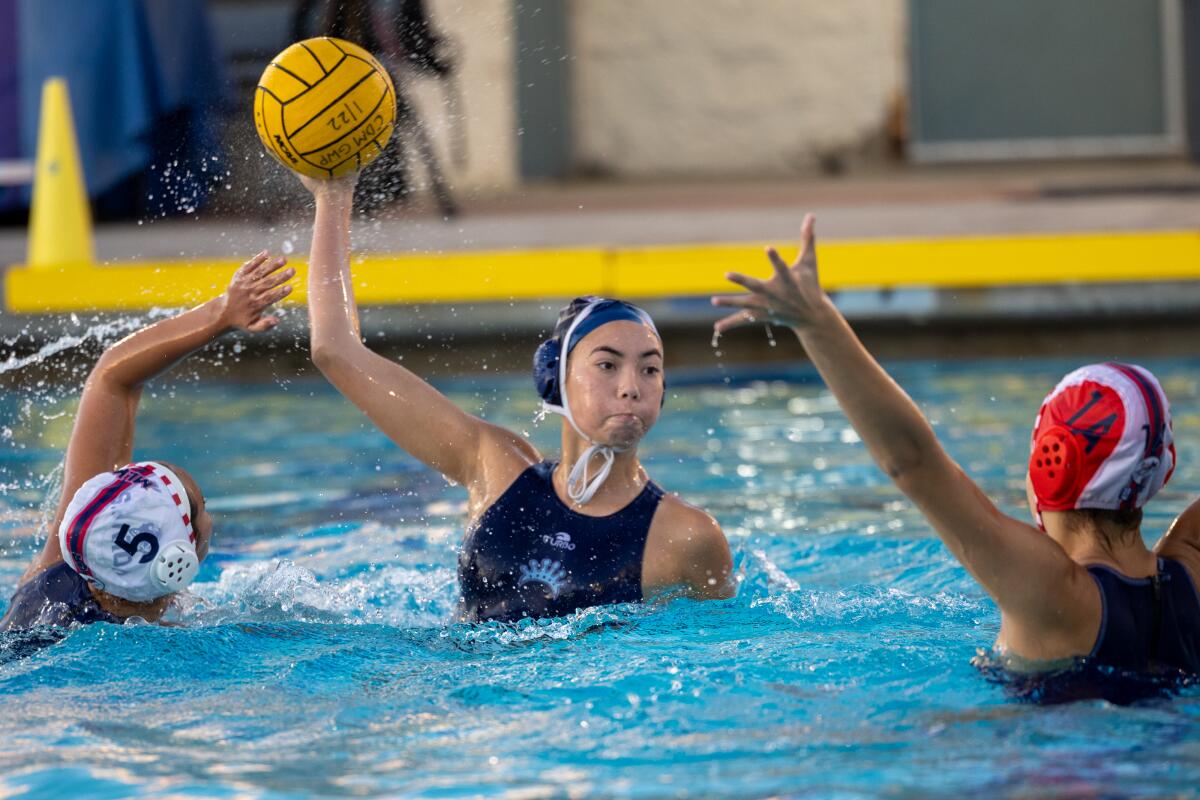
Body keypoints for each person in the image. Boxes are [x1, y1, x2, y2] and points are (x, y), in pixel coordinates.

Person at [712, 215, 1200, 677]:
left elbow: (914, 463)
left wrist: (816, 323)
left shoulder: (1053, 593)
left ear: (1052, 466)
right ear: (1162, 468)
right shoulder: (1191, 571)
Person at [300, 173, 734, 622]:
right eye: (607, 365)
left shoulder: (684, 535)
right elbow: (334, 350)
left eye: (650, 369)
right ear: (555, 378)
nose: (631, 386)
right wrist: (334, 195)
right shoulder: (494, 468)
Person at [0, 253, 294, 631]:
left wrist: (222, 314)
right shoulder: (173, 640)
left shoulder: (56, 570)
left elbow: (113, 378)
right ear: (181, 558)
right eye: (203, 506)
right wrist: (221, 314)